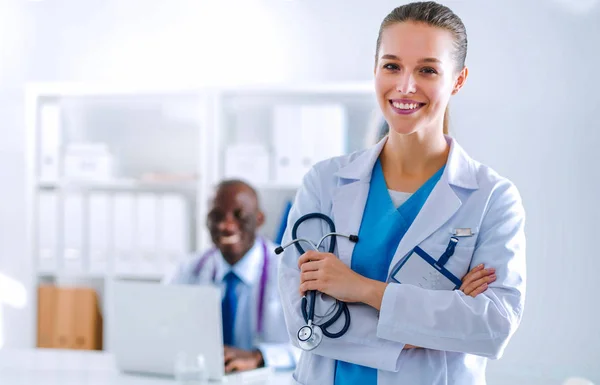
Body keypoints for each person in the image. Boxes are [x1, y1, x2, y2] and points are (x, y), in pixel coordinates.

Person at [277, 2, 526, 385]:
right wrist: (428, 324)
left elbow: (492, 327)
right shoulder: (324, 182)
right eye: (392, 66)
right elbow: (302, 322)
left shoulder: (493, 198)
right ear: (375, 68)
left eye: (427, 70)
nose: (405, 86)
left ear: (457, 80)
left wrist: (359, 289)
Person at [165, 179, 297, 373]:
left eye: (239, 215)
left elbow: (314, 346)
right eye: (216, 216)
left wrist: (260, 356)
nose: (226, 226)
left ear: (259, 219)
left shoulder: (289, 269)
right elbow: (161, 327)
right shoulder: (189, 269)